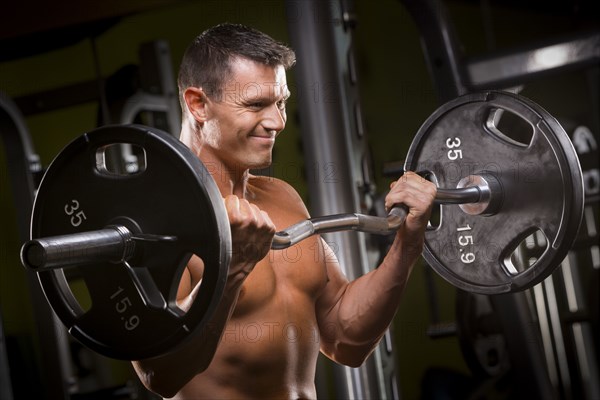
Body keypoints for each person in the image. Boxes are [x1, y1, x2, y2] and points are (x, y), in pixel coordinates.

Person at [132, 23, 437, 399]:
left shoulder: (282, 197)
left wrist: (407, 245)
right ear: (198, 104)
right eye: (256, 104)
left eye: (280, 102)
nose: (277, 121)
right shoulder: (155, 224)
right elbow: (161, 374)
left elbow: (345, 339)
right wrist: (231, 271)